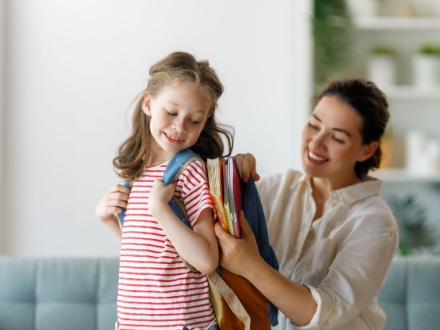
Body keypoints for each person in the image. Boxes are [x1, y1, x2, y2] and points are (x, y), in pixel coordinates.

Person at [215, 78, 399, 330]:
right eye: (314, 125)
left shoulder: (375, 222)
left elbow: (325, 314)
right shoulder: (275, 189)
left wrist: (251, 265)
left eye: (336, 138)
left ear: (366, 151)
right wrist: (232, 176)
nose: (316, 142)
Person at [95, 51, 234, 330]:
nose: (180, 127)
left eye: (195, 120)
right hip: (134, 323)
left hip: (180, 323)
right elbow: (153, 252)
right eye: (171, 112)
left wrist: (160, 209)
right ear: (148, 103)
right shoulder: (139, 172)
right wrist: (108, 218)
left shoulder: (188, 171)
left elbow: (206, 260)